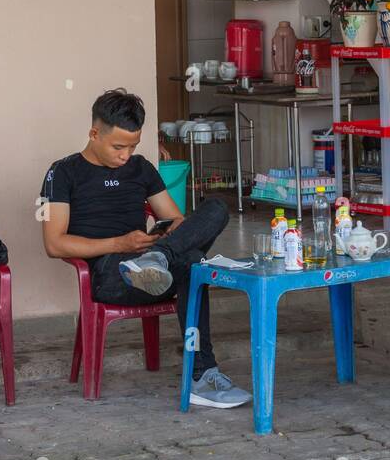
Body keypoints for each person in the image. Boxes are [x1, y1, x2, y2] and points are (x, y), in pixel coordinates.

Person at [40, 88, 250, 409]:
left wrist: (165, 238)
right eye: (118, 147)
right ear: (94, 133)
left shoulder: (140, 168)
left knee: (216, 209)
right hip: (110, 275)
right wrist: (120, 244)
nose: (125, 155)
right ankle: (202, 373)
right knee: (193, 263)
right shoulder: (64, 173)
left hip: (153, 265)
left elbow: (177, 220)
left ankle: (159, 259)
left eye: (133, 146)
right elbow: (54, 244)